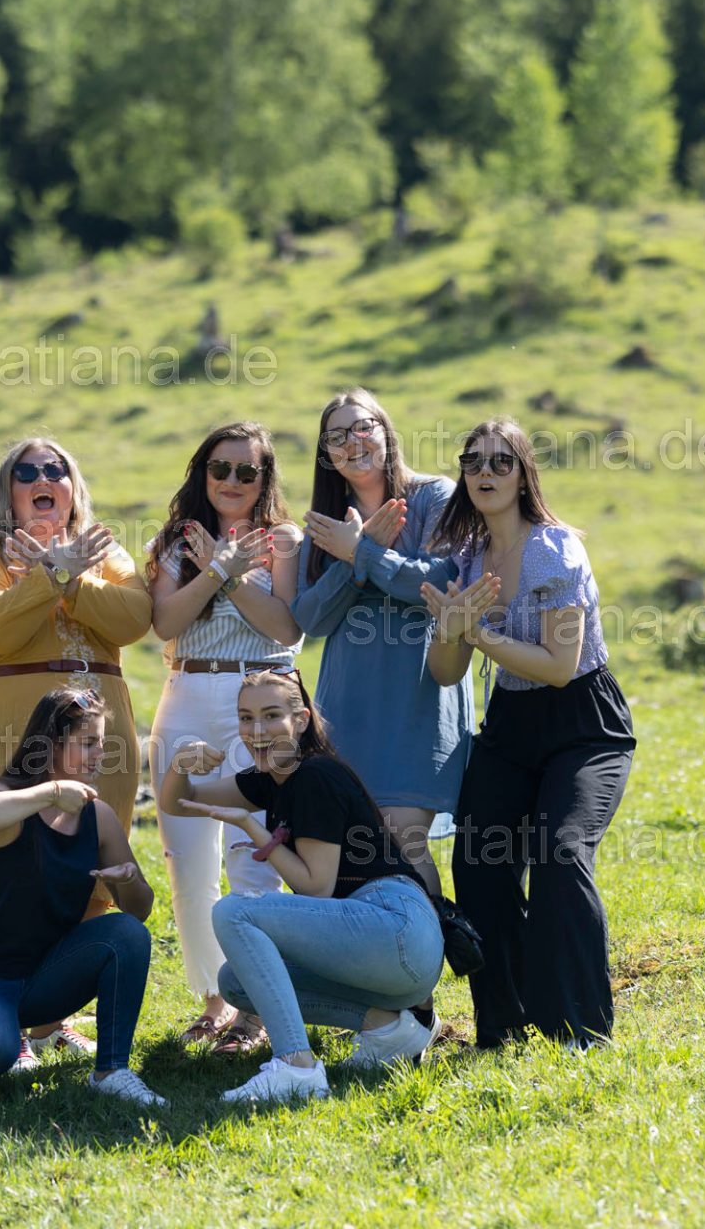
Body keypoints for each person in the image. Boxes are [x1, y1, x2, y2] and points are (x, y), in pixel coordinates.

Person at [421, 418, 635, 1051]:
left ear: (523, 476)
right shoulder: (468, 558)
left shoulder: (554, 549)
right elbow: (445, 671)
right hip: (511, 723)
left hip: (582, 724)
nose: (484, 473)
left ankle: (581, 1029)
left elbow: (559, 666)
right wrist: (452, 630)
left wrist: (478, 632)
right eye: (473, 462)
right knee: (478, 860)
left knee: (560, 853)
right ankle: (505, 1024)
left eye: (500, 462)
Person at [0, 437, 151, 1070]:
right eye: (26, 471)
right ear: (8, 490)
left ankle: (51, 1023)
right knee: (7, 868)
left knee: (85, 869)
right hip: (8, 732)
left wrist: (72, 576)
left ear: (72, 485)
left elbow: (133, 619)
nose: (42, 479)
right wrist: (49, 575)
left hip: (98, 738)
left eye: (54, 470)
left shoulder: (105, 550)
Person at [159, 668, 445, 1105]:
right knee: (236, 982)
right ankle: (391, 1029)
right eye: (246, 717)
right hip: (395, 960)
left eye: (271, 715)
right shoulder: (271, 779)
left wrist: (250, 828)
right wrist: (180, 764)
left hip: (396, 927)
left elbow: (315, 887)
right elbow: (180, 801)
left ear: (302, 719)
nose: (257, 730)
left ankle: (296, 1065)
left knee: (234, 911)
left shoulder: (314, 776)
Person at [293, 389, 474, 1037]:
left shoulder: (433, 498)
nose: (353, 442)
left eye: (362, 427)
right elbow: (310, 618)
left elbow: (443, 581)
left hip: (418, 695)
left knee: (405, 839)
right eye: (337, 436)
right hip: (348, 701)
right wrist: (352, 555)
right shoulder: (327, 524)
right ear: (327, 454)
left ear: (386, 430)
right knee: (360, 850)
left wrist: (365, 555)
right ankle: (386, 1004)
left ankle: (423, 1003)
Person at [0, 688, 165, 1111]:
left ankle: (111, 1071)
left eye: (102, 743)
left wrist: (129, 879)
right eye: (88, 743)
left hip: (39, 982)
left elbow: (139, 911)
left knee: (124, 932)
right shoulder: (5, 795)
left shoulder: (97, 817)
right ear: (51, 745)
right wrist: (51, 791)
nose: (100, 755)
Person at [146, 423, 304, 1052]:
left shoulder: (284, 541)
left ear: (265, 479)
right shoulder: (174, 542)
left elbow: (286, 628)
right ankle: (213, 997)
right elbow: (165, 622)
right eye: (220, 469)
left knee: (253, 854)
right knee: (187, 863)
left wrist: (235, 577)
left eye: (247, 471)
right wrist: (216, 567)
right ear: (202, 473)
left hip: (261, 696)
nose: (232, 481)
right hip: (186, 692)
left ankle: (253, 1008)